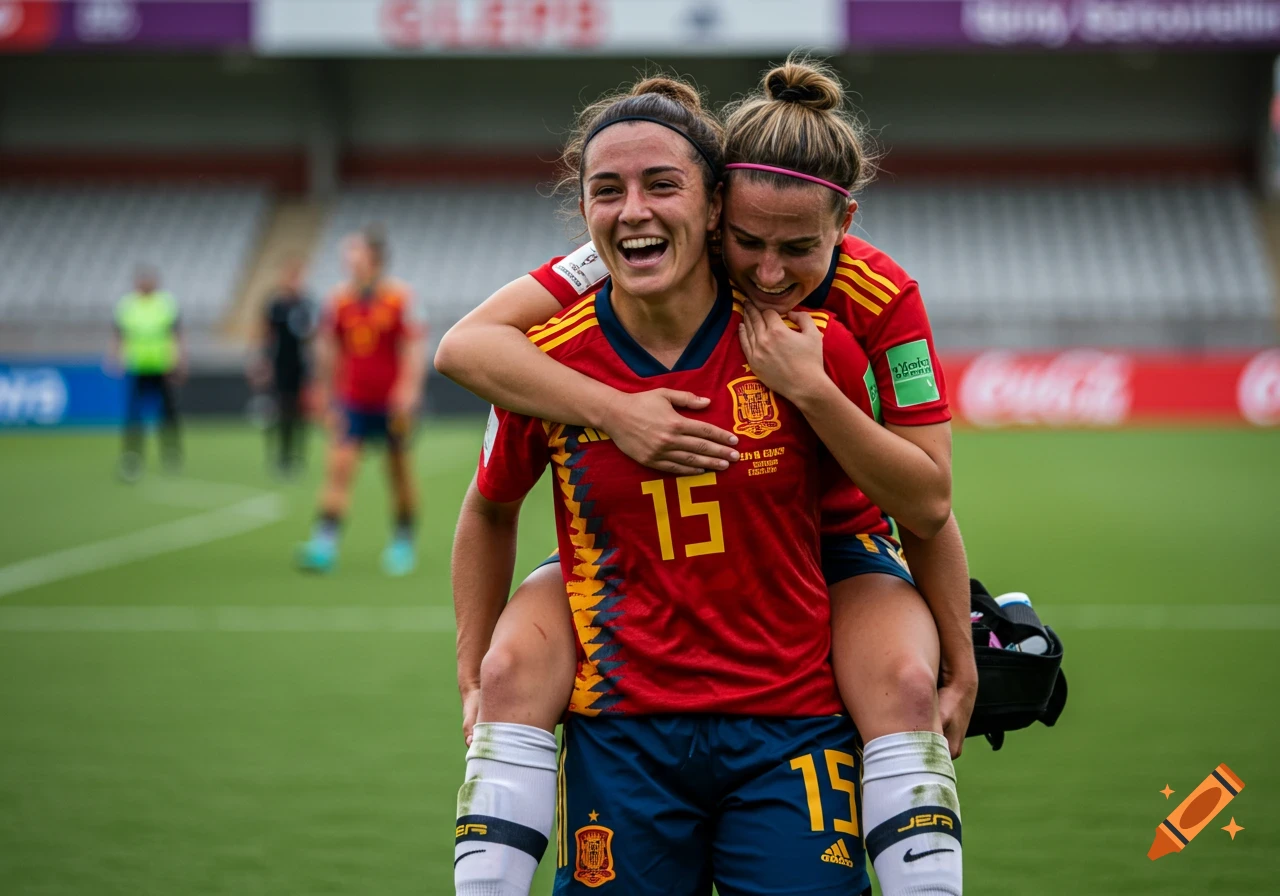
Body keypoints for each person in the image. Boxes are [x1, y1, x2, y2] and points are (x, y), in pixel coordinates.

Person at [439, 60, 972, 896]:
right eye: (750, 245)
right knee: (509, 672)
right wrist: (618, 411)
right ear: (723, 214)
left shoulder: (862, 307)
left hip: (824, 569)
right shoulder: (554, 339)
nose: (766, 271)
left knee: (905, 682)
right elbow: (466, 366)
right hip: (634, 662)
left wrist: (960, 658)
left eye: (797, 248)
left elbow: (929, 503)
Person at [296, 227, 426, 576]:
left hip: (390, 404)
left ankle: (402, 542)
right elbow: (328, 349)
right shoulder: (338, 300)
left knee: (398, 472)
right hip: (352, 401)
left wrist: (408, 392)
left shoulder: (400, 298)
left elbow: (412, 349)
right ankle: (324, 544)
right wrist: (325, 391)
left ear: (374, 259)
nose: (348, 260)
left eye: (355, 253)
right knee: (339, 468)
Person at [111, 264, 185, 482]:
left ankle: (171, 452)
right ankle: (132, 455)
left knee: (168, 413)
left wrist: (179, 359)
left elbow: (176, 334)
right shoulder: (127, 305)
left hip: (162, 366)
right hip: (137, 367)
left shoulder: (166, 304)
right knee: (134, 414)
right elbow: (119, 334)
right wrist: (114, 357)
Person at [251, 255, 317, 476]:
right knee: (280, 409)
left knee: (301, 411)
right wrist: (262, 360)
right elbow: (265, 333)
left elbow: (314, 334)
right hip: (280, 363)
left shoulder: (307, 303)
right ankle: (281, 455)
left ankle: (298, 455)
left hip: (301, 364)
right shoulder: (275, 304)